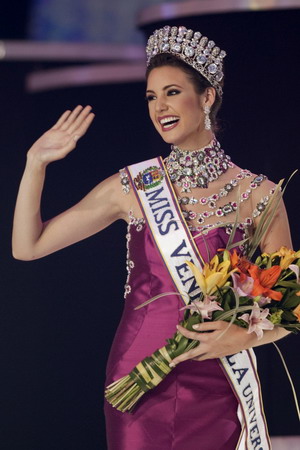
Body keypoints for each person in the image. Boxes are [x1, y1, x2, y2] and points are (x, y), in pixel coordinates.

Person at [13, 25, 292, 450]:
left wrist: (243, 337)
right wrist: (36, 163)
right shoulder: (135, 186)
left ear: (208, 96)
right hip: (138, 376)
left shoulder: (259, 194)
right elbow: (27, 247)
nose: (159, 106)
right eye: (151, 96)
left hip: (218, 376)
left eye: (172, 92)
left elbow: (288, 305)